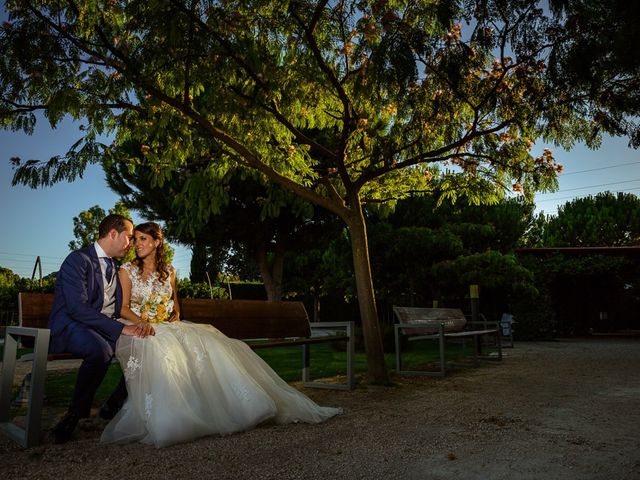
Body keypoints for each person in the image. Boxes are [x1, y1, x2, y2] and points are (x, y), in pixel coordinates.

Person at [101, 222, 341, 448]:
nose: (137, 244)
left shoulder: (170, 271)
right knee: (160, 347)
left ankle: (232, 408)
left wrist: (171, 319)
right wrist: (144, 322)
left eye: (143, 239)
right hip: (138, 325)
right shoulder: (127, 271)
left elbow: (175, 305)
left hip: (166, 324)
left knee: (211, 343)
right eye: (135, 240)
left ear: (156, 242)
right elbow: (122, 308)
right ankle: (172, 417)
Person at [49, 214, 155, 444]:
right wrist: (119, 330)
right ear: (113, 234)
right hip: (72, 326)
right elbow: (77, 308)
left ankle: (112, 405)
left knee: (148, 348)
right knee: (101, 351)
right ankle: (74, 415)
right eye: (128, 237)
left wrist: (136, 323)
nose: (131, 244)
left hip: (101, 328)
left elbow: (116, 308)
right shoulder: (78, 260)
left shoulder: (116, 266)